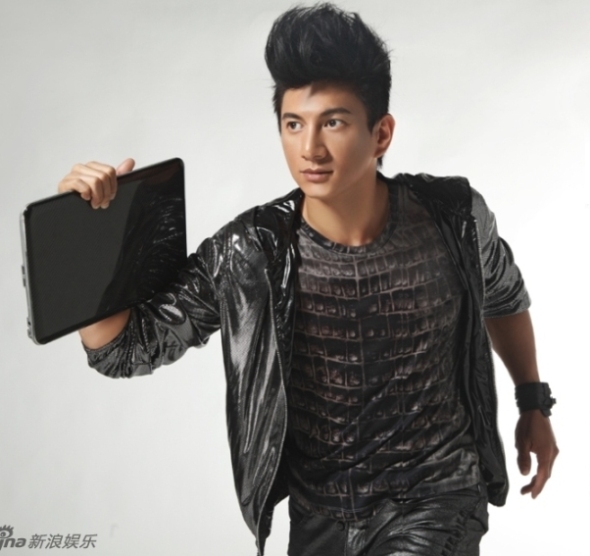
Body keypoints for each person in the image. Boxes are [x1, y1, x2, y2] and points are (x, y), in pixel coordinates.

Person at [56, 3, 558, 555]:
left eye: (333, 123)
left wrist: (533, 402)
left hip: (437, 497)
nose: (309, 149)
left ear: (381, 133)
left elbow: (503, 297)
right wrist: (90, 236)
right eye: (294, 124)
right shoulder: (251, 251)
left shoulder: (453, 216)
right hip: (320, 514)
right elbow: (123, 350)